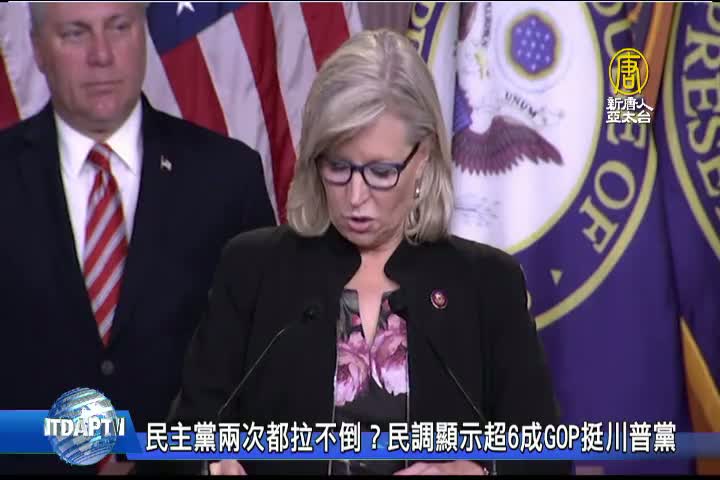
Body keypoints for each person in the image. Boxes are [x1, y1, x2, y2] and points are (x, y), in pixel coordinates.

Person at [166, 29, 571, 475]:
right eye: (338, 166)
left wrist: (477, 471)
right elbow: (183, 439)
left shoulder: (488, 284)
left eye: (380, 172)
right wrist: (210, 465)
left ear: (423, 158)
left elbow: (546, 460)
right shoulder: (252, 270)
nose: (356, 197)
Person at [0, 2, 275, 473]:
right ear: (38, 49)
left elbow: (264, 362)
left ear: (143, 32)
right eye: (76, 33)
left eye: (119, 27)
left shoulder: (228, 177)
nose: (102, 55)